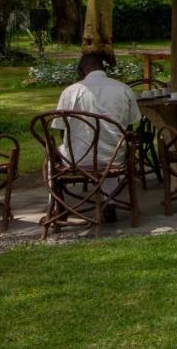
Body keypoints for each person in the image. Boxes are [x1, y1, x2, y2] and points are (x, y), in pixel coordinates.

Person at [53, 53, 141, 222]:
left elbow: (62, 131)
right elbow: (129, 127)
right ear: (103, 68)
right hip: (114, 158)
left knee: (52, 158)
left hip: (77, 160)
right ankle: (109, 201)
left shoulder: (70, 92)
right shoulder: (123, 88)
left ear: (80, 71)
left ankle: (58, 207)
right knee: (111, 147)